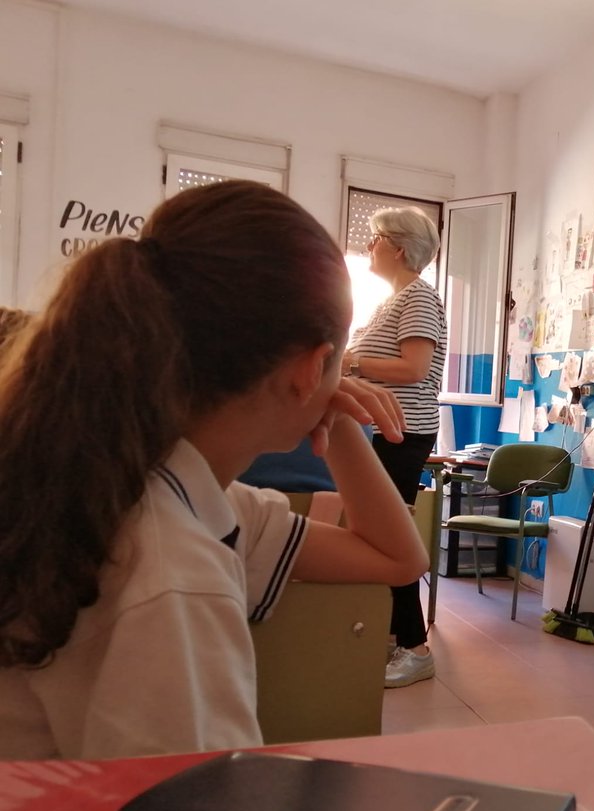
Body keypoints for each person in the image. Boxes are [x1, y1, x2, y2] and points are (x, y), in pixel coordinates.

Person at [0, 180, 428, 760]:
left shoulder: (171, 494)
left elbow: (399, 560)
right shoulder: (175, 568)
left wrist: (341, 422)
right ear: (313, 367)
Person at [342, 206, 446, 688]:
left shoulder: (419, 299)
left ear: (399, 248)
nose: (369, 247)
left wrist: (355, 361)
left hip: (401, 432)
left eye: (375, 239)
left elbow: (413, 370)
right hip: (384, 430)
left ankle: (414, 646)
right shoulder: (393, 300)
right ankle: (390, 633)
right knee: (376, 532)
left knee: (387, 534)